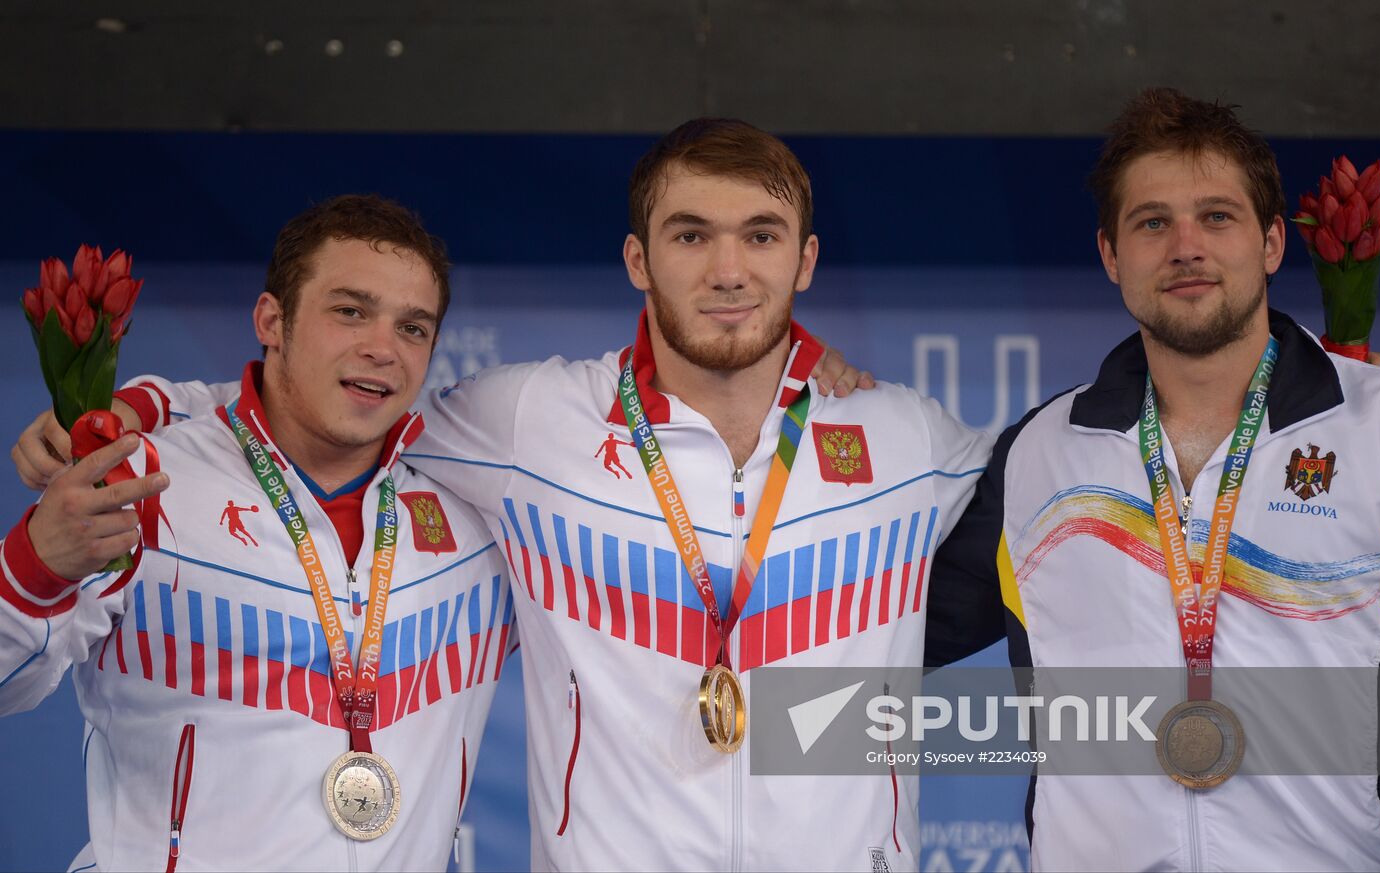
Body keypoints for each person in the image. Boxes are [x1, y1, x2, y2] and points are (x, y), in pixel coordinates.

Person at [19, 120, 988, 870]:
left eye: (760, 236)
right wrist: (134, 412)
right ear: (637, 261)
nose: (728, 270)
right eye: (691, 235)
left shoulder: (905, 438)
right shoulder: (525, 422)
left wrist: (1118, 736)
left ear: (803, 262)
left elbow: (1065, 484)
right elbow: (324, 409)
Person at [925, 87, 1380, 870]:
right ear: (1111, 255)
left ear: (1273, 241)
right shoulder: (1040, 451)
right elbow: (883, 626)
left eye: (1217, 216)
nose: (1186, 246)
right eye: (1152, 223)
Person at [0, 195, 514, 870]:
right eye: (350, 310)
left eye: (413, 328)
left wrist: (147, 398)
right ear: (272, 320)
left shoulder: (481, 498)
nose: (382, 348)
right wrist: (36, 566)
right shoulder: (147, 478)